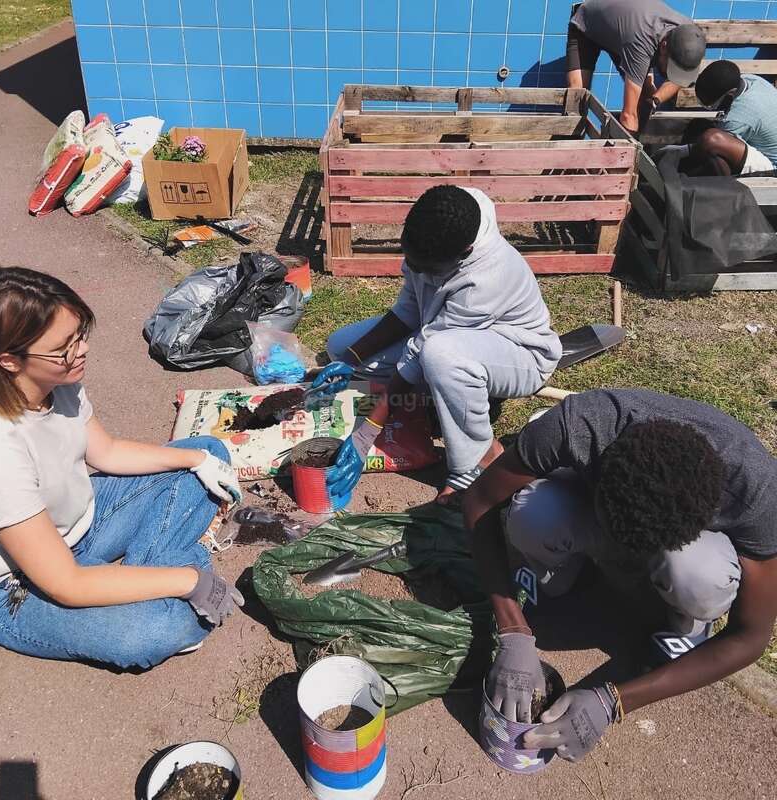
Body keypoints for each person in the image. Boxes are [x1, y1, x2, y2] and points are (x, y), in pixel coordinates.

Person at [462, 388, 777, 761]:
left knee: (698, 574)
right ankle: (563, 576)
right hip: (596, 501)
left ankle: (683, 623)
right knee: (535, 513)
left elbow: (752, 637)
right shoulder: (579, 427)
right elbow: (478, 502)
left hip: (682, 552)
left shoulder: (756, 493)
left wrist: (613, 701)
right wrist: (512, 629)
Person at [0, 267, 245, 671]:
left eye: (80, 334)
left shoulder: (57, 380)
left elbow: (106, 453)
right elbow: (66, 584)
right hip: (19, 582)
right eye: (64, 347)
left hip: (84, 519)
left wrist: (198, 460)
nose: (81, 350)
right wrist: (191, 580)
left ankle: (151, 575)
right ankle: (166, 577)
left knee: (209, 451)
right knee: (153, 631)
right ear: (9, 362)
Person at [310, 185, 562, 506]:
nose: (413, 270)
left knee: (440, 358)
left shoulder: (485, 278)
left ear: (465, 252)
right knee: (340, 344)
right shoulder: (436, 227)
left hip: (519, 354)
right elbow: (408, 310)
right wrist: (350, 358)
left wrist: (368, 430)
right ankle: (441, 395)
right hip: (448, 340)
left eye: (424, 268)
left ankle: (475, 461)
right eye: (410, 261)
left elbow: (424, 349)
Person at [566, 0, 706, 134]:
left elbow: (681, 79)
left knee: (646, 97)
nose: (673, 73)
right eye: (672, 66)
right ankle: (570, 148)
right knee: (577, 96)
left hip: (627, 29)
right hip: (588, 22)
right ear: (664, 47)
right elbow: (628, 115)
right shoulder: (641, 44)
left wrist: (654, 101)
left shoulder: (690, 37)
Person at [656, 60, 777, 176]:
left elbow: (712, 143)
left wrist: (680, 151)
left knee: (712, 143)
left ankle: (692, 183)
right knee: (698, 126)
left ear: (730, 94)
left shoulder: (740, 116)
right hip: (758, 140)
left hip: (772, 167)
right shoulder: (751, 80)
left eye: (709, 105)